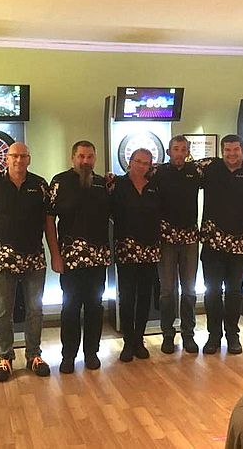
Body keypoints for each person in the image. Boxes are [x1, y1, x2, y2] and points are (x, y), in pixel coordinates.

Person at [0, 142, 58, 382]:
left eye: (23, 156)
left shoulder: (40, 185)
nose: (19, 160)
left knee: (35, 309)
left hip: (34, 257)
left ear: (29, 159)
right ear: (6, 158)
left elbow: (47, 220)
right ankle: (5, 358)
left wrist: (53, 252)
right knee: (4, 310)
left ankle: (34, 355)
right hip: (3, 258)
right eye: (14, 156)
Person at [197, 134, 243, 355]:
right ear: (222, 151)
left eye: (235, 149)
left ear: (242, 150)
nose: (231, 154)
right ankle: (213, 336)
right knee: (212, 292)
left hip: (241, 245)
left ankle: (232, 335)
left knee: (234, 292)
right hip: (212, 243)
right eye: (227, 150)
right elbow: (176, 168)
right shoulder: (208, 168)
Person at [47, 141, 111, 374]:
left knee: (95, 307)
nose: (85, 161)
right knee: (70, 308)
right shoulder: (59, 182)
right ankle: (68, 356)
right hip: (69, 259)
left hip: (98, 258)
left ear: (95, 158)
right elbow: (49, 220)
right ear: (72, 157)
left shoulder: (103, 184)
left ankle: (91, 353)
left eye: (90, 156)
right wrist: (55, 254)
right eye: (81, 156)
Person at [110, 148, 161, 362]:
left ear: (150, 166)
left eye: (146, 163)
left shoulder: (155, 186)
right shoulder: (117, 185)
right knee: (127, 296)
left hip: (150, 249)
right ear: (130, 162)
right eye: (138, 161)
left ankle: (139, 339)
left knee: (145, 296)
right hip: (126, 248)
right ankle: (128, 341)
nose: (141, 166)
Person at [152, 135, 201, 354]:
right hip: (166, 238)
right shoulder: (158, 172)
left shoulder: (196, 172)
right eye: (176, 149)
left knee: (189, 290)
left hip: (190, 237)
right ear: (168, 152)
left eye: (183, 149)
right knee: (167, 291)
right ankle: (168, 335)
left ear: (188, 152)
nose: (179, 153)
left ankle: (188, 334)